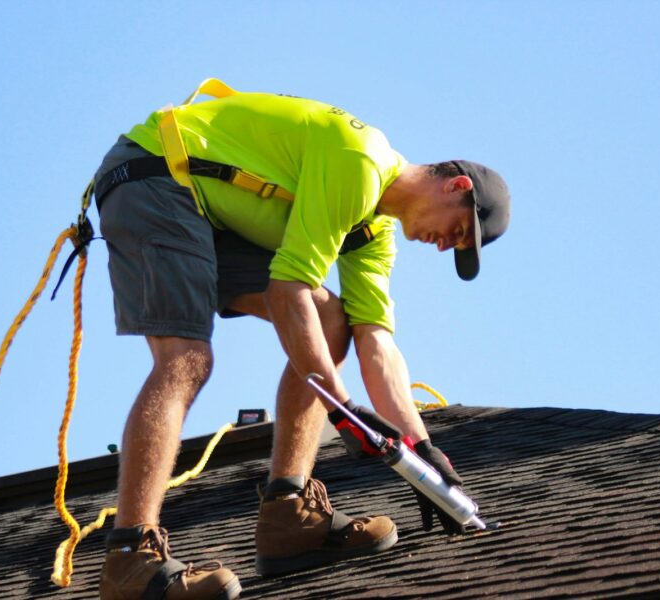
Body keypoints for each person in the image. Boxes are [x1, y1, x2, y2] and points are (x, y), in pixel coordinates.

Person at [92, 79, 510, 600]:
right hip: (157, 174)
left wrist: (422, 450)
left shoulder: (372, 232)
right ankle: (130, 558)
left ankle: (288, 518)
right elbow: (288, 291)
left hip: (212, 208)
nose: (447, 246)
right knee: (187, 358)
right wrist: (341, 407)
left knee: (332, 320)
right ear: (458, 187)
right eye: (460, 232)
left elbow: (375, 344)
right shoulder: (359, 161)